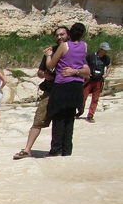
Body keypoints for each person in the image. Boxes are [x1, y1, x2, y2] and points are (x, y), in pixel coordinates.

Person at [13, 26, 90, 160]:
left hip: (63, 89)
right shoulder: (52, 50)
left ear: (68, 35)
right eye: (57, 35)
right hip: (50, 91)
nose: (59, 37)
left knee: (63, 119)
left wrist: (73, 71)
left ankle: (60, 150)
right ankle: (27, 149)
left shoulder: (73, 49)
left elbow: (87, 72)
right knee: (39, 120)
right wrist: (45, 75)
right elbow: (41, 71)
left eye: (62, 34)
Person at [44, 22, 88, 157]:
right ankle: (67, 150)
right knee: (70, 118)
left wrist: (48, 55)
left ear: (69, 34)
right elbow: (85, 68)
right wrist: (75, 71)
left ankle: (56, 149)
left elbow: (51, 65)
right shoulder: (85, 46)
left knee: (58, 117)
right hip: (77, 86)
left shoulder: (64, 46)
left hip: (62, 85)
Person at [82, 41, 112, 122]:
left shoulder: (107, 58)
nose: (106, 51)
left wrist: (106, 75)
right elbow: (83, 64)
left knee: (95, 99)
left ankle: (90, 115)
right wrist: (86, 73)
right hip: (89, 80)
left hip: (99, 81)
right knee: (83, 97)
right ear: (100, 49)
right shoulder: (90, 56)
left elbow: (109, 66)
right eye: (105, 50)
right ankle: (80, 111)